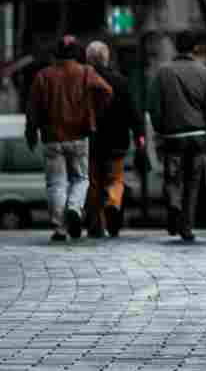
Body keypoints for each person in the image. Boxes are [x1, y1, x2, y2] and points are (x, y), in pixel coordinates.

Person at [26, 40, 113, 243]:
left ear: (55, 54)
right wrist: (93, 112)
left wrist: (31, 131)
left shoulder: (43, 76)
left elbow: (32, 108)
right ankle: (74, 207)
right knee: (81, 178)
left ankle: (60, 228)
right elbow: (106, 91)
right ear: (77, 54)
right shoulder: (85, 72)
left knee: (56, 183)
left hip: (51, 137)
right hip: (79, 135)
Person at [153, 30, 206, 243]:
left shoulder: (163, 72)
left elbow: (154, 107)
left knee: (173, 178)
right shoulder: (204, 72)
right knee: (193, 184)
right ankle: (187, 228)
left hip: (174, 136)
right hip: (199, 136)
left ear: (176, 47)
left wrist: (160, 129)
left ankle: (174, 203)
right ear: (194, 49)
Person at [82, 41, 143, 239]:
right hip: (117, 141)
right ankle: (113, 203)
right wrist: (138, 135)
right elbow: (133, 113)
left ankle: (96, 226)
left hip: (91, 142)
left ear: (88, 59)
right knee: (115, 179)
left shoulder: (83, 81)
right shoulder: (121, 81)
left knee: (94, 183)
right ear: (107, 58)